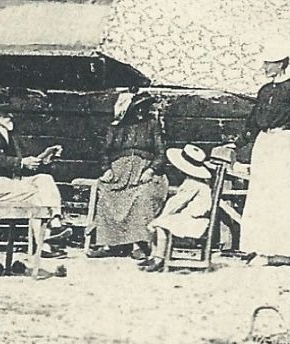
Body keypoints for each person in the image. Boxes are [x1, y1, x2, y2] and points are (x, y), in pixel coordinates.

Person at [237, 44, 290, 265]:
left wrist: (281, 139)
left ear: (280, 64)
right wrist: (238, 143)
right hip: (263, 145)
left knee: (284, 196)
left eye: (268, 63)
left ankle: (287, 251)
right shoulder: (264, 91)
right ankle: (262, 248)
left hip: (282, 146)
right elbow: (252, 122)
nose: (264, 67)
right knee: (262, 195)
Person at [0, 95, 65, 260]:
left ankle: (55, 222)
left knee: (44, 179)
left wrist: (45, 158)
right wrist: (22, 162)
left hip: (13, 182)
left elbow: (26, 162)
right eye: (6, 113)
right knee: (35, 194)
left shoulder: (11, 134)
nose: (11, 117)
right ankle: (44, 243)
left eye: (12, 113)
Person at [88, 90, 166, 259]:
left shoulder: (152, 124)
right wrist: (106, 169)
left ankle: (138, 244)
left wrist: (151, 170)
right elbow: (104, 152)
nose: (140, 112)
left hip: (143, 173)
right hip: (119, 174)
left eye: (143, 108)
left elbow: (161, 153)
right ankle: (109, 244)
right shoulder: (116, 127)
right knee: (106, 194)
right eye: (136, 108)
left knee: (142, 196)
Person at [143, 144, 215, 273]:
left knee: (159, 224)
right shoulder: (198, 183)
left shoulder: (192, 184)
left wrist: (161, 216)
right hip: (192, 217)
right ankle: (154, 255)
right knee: (160, 222)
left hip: (194, 220)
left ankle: (159, 258)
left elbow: (176, 203)